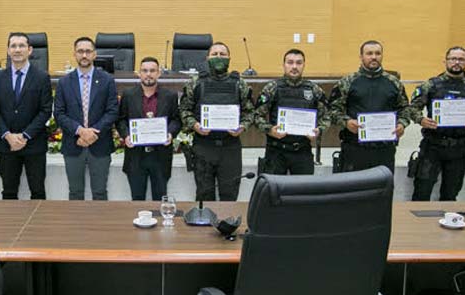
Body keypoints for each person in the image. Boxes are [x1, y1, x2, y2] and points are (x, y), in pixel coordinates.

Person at [408, 46, 465, 201]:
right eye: (453, 59)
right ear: (445, 61)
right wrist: (421, 120)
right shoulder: (431, 85)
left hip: (459, 149)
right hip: (433, 147)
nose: (456, 62)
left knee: (450, 195)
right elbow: (412, 109)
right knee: (421, 192)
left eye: (461, 59)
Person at [179, 42, 255, 202]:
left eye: (222, 54)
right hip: (203, 146)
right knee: (204, 196)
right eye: (215, 54)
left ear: (229, 58)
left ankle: (228, 226)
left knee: (230, 196)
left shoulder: (239, 83)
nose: (218, 57)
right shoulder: (195, 82)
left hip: (230, 147)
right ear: (207, 58)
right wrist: (195, 125)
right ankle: (205, 226)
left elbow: (250, 112)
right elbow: (184, 110)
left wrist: (242, 126)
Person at [328, 41, 409, 173]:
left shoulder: (394, 82)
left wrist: (402, 124)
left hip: (384, 149)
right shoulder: (347, 82)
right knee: (353, 190)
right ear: (361, 57)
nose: (374, 57)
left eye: (377, 53)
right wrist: (346, 122)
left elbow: (405, 109)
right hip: (355, 148)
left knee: (382, 190)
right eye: (369, 53)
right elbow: (332, 110)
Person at [0, 32, 53, 200]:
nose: (17, 50)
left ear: (30, 50)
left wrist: (25, 136)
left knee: (38, 191)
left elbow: (45, 110)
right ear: (8, 50)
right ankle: (10, 226)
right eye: (13, 46)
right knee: (9, 192)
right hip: (7, 144)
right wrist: (8, 135)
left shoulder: (42, 77)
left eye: (21, 46)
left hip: (34, 144)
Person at [53, 37, 119, 200]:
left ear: (95, 54)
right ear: (74, 54)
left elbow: (112, 111)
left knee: (100, 192)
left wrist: (93, 133)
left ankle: (100, 226)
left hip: (100, 143)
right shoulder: (64, 82)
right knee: (75, 192)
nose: (84, 55)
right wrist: (80, 131)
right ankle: (76, 226)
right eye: (80, 51)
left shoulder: (107, 80)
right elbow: (59, 113)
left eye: (88, 51)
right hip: (73, 145)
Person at [253, 49, 328, 175]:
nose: (294, 66)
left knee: (303, 193)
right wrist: (270, 130)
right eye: (290, 62)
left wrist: (319, 130)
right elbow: (256, 116)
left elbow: (326, 116)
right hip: (276, 151)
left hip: (302, 151)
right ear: (283, 65)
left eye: (299, 63)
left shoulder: (314, 89)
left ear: (304, 65)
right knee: (274, 192)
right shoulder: (272, 88)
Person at [116, 57, 181, 200]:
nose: (148, 74)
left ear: (158, 74)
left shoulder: (170, 96)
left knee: (160, 200)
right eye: (145, 71)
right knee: (137, 199)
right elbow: (121, 120)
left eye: (152, 71)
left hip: (160, 156)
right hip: (136, 157)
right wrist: (126, 135)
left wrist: (170, 134)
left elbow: (176, 120)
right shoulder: (128, 95)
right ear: (139, 73)